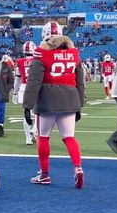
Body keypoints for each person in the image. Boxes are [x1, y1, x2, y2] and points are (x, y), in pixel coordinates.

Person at [23, 21, 85, 189]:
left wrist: (27, 105)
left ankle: (44, 174)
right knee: (69, 137)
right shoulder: (74, 52)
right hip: (71, 98)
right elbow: (80, 81)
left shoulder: (40, 53)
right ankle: (78, 167)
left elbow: (34, 81)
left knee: (43, 137)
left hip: (48, 99)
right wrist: (80, 104)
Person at [12, 41, 38, 145]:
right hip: (35, 87)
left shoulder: (20, 61)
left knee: (26, 113)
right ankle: (34, 130)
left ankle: (28, 138)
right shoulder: (38, 60)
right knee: (39, 113)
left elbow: (17, 78)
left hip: (23, 87)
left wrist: (15, 93)